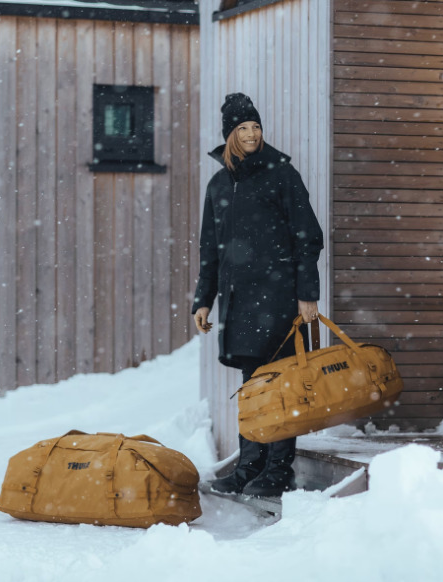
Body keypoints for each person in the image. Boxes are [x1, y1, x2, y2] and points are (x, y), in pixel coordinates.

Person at [192, 93, 324, 498]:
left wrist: (307, 295)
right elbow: (210, 249)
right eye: (243, 128)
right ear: (229, 134)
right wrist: (203, 299)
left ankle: (278, 470)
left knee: (281, 383)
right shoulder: (219, 185)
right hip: (239, 303)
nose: (251, 134)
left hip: (279, 297)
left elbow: (308, 237)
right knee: (252, 387)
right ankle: (249, 466)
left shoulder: (281, 175)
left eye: (256, 127)